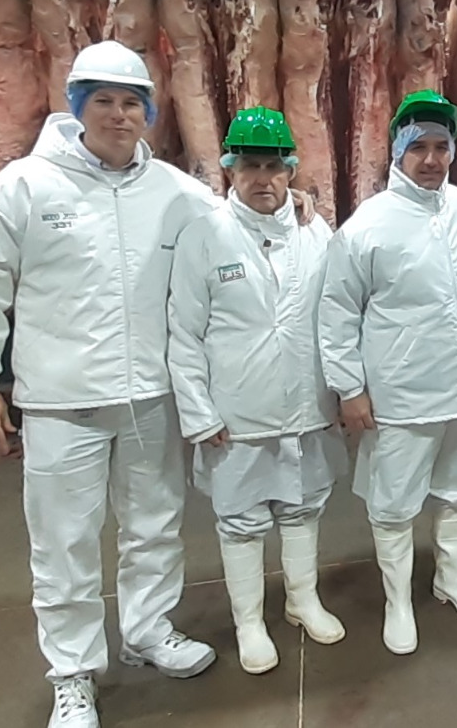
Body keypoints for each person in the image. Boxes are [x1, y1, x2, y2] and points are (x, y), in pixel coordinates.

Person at [0, 41, 219, 728]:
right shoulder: (25, 188)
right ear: (77, 107)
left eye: (132, 103)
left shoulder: (177, 193)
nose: (119, 115)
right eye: (104, 101)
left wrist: (293, 209)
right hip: (61, 402)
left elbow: (235, 235)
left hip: (150, 395)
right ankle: (72, 673)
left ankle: (148, 630)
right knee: (64, 543)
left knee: (154, 525)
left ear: (149, 113)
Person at [166, 107, 348, 676]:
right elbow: (183, 333)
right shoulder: (204, 236)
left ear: (291, 170)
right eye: (250, 166)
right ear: (230, 169)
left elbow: (340, 315)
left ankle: (302, 600)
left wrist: (343, 391)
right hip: (236, 413)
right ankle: (248, 621)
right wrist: (198, 413)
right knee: (241, 519)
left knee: (303, 507)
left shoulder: (317, 233)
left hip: (307, 404)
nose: (262, 178)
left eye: (273, 166)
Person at [318, 90, 457, 655]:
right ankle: (397, 601)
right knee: (393, 504)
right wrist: (350, 388)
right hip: (400, 395)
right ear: (397, 150)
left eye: (442, 147)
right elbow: (337, 312)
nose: (432, 159)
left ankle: (451, 578)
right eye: (419, 147)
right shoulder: (367, 226)